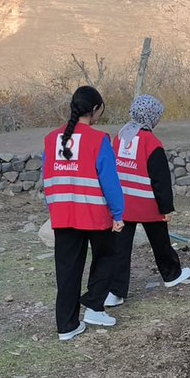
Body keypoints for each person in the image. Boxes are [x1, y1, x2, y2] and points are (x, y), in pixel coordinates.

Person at [42, 85, 125, 342]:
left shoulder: (51, 139)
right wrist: (118, 214)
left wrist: (54, 209)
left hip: (64, 215)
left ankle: (66, 326)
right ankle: (94, 307)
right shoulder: (99, 140)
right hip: (94, 214)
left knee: (67, 270)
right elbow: (110, 182)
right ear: (95, 110)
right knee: (108, 256)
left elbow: (47, 179)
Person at [105, 95, 190, 307]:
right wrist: (166, 208)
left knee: (120, 249)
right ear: (151, 116)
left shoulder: (119, 137)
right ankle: (172, 275)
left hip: (123, 205)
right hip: (149, 205)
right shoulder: (152, 143)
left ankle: (115, 292)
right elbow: (160, 179)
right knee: (160, 243)